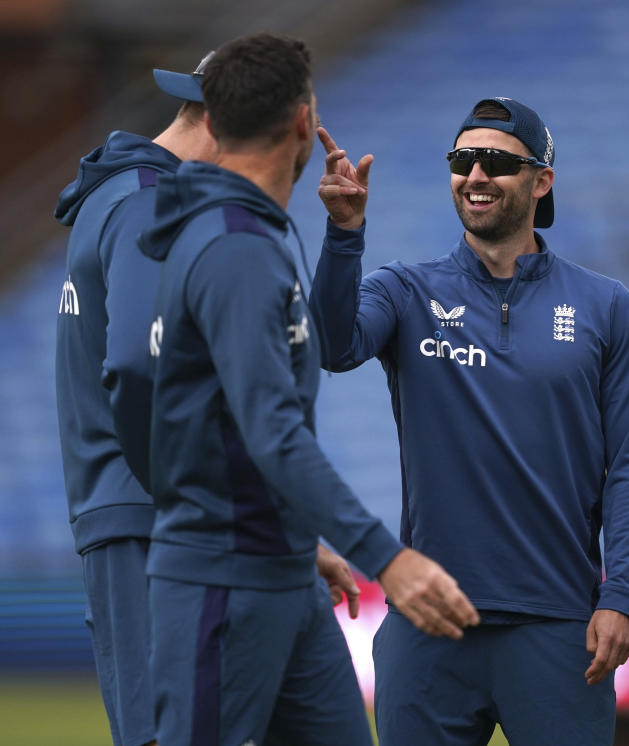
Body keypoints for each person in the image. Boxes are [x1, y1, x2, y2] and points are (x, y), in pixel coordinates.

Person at [139, 33, 478, 746]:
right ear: (303, 121)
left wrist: (296, 533)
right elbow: (271, 429)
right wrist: (387, 555)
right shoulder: (232, 247)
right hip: (225, 584)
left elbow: (145, 396)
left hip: (283, 568)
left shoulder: (247, 234)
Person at [312, 97, 629, 745]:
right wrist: (343, 234)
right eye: (462, 160)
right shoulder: (405, 290)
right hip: (428, 624)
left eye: (495, 162)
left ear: (541, 180)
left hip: (559, 627)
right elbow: (333, 347)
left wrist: (621, 597)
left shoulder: (607, 307)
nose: (475, 175)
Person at [54, 52, 218, 746]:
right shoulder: (151, 201)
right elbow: (135, 362)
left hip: (126, 510)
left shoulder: (114, 192)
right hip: (148, 516)